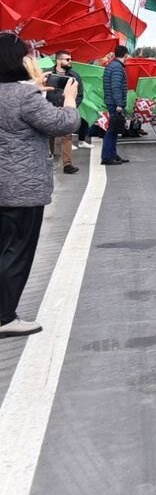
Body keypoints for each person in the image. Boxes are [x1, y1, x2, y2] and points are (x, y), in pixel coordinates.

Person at [1, 33, 81, 336]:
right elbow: (63, 124)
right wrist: (70, 101)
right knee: (16, 252)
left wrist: (35, 91)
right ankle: (5, 317)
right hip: (21, 189)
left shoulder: (22, 95)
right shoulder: (24, 97)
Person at [45, 51, 84, 175]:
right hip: (49, 108)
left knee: (67, 136)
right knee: (49, 136)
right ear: (58, 60)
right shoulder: (48, 74)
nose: (70, 61)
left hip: (66, 109)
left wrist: (72, 106)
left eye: (70, 59)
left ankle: (67, 164)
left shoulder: (74, 76)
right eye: (67, 59)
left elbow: (80, 94)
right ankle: (47, 162)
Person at [102, 45, 130, 166]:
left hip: (111, 101)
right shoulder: (117, 68)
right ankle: (107, 157)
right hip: (114, 103)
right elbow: (116, 87)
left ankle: (112, 154)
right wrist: (119, 103)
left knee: (114, 129)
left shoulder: (112, 65)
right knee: (112, 130)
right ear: (125, 55)